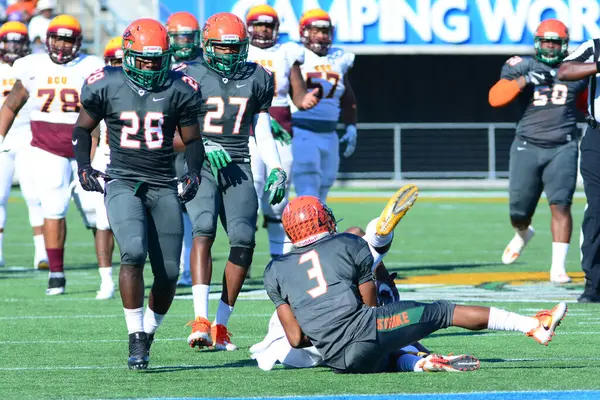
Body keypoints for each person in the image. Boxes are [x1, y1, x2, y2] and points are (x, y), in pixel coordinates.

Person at [263, 188, 568, 373]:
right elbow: (370, 310)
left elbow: (296, 339)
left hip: (337, 359)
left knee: (386, 351)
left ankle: (420, 362)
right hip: (365, 333)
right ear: (323, 219)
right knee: (443, 311)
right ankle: (532, 325)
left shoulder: (275, 269)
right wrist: (385, 298)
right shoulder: (348, 244)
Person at [73, 18, 205, 369]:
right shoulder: (107, 84)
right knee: (132, 251)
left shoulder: (181, 87)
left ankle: (148, 332)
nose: (149, 67)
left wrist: (193, 172)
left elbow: (193, 140)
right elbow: (83, 130)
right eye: (143, 60)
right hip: (122, 180)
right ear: (128, 54)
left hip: (163, 183)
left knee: (170, 273)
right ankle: (135, 338)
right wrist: (83, 166)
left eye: (155, 59)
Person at [253, 186, 479, 373]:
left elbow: (297, 337)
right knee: (379, 330)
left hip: (298, 341)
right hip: (329, 332)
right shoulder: (341, 246)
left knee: (376, 345)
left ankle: (421, 361)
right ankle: (379, 244)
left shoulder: (281, 268)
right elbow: (370, 317)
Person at [179, 12, 286, 351]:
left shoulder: (258, 76)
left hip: (238, 161)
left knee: (243, 240)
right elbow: (171, 126)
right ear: (207, 45)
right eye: (222, 48)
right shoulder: (188, 74)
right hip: (201, 163)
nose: (228, 54)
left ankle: (221, 326)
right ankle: (199, 319)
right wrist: (202, 142)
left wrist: (277, 166)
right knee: (204, 229)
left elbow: (264, 130)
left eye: (234, 48)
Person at [0, 15, 104, 295]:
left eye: (67, 39)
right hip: (46, 148)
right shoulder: (32, 66)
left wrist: (96, 150)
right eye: (57, 37)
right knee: (54, 209)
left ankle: (105, 273)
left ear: (78, 42)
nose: (61, 44)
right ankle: (56, 273)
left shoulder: (91, 66)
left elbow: (100, 110)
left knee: (98, 213)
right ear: (47, 39)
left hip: (85, 148)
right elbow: (11, 105)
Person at [488, 19, 588, 283]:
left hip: (563, 145)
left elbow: (584, 103)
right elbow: (495, 98)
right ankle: (523, 233)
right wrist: (524, 80)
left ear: (565, 44)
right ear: (537, 42)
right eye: (546, 41)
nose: (551, 47)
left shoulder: (574, 68)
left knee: (561, 206)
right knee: (518, 212)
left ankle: (558, 267)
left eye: (556, 42)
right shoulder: (522, 65)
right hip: (526, 146)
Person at [245, 4, 319, 259]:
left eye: (268, 25)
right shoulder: (241, 52)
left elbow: (297, 94)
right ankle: (243, 254)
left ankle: (280, 258)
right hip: (249, 130)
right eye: (259, 25)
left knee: (277, 196)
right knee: (250, 194)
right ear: (249, 28)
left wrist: (304, 100)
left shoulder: (287, 52)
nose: (264, 30)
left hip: (282, 131)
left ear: (276, 28)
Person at [291, 8, 358, 201]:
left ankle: (316, 230)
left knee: (326, 184)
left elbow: (347, 96)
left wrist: (351, 126)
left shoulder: (339, 58)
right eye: (316, 31)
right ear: (303, 32)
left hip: (329, 132)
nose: (321, 36)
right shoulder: (295, 55)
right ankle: (300, 230)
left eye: (324, 31)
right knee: (308, 185)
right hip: (301, 129)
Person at [0, 20, 47, 269]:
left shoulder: (34, 66)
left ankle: (42, 252)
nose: (13, 46)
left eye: (19, 41)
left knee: (34, 196)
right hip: (3, 137)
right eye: (9, 40)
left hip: (30, 136)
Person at [557, 35, 600, 302]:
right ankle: (594, 284)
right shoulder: (595, 46)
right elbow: (565, 70)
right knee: (597, 210)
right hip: (598, 137)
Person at [165, 11, 202, 287]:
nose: (184, 42)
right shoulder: (159, 62)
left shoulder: (204, 64)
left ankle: (190, 269)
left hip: (194, 141)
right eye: (178, 36)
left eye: (189, 36)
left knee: (193, 208)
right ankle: (175, 267)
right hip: (163, 144)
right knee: (169, 208)